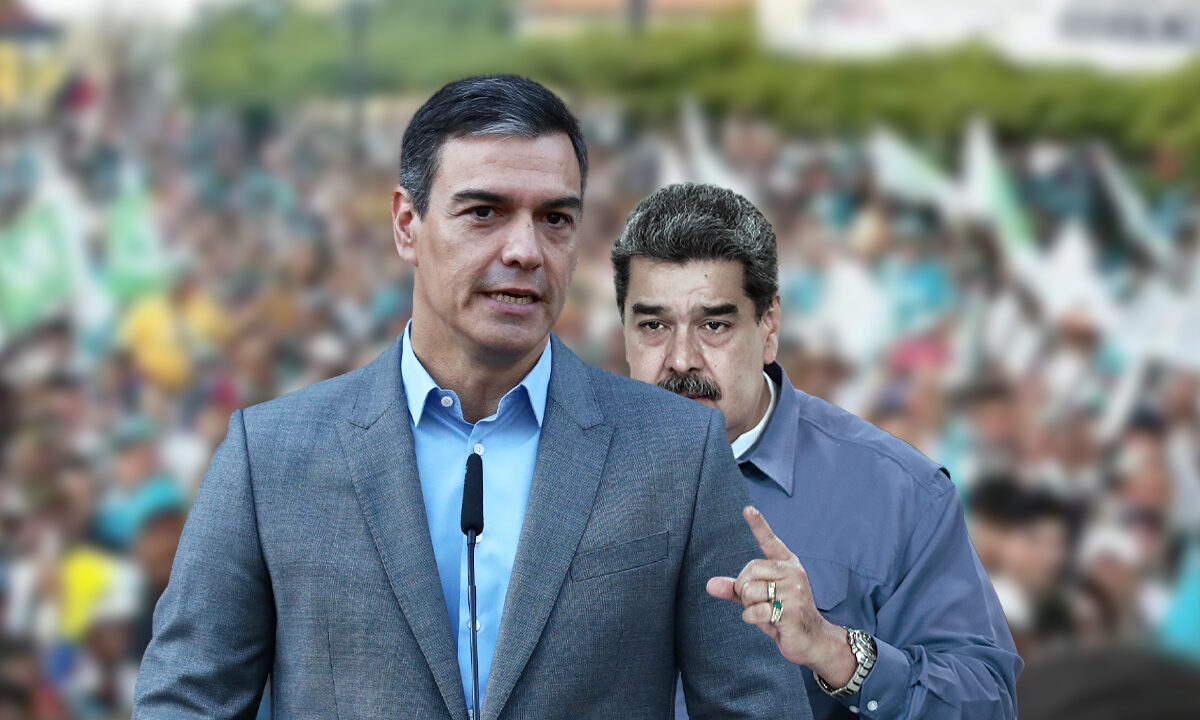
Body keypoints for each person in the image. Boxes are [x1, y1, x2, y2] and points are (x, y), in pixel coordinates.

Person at [132, 77, 810, 719]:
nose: (525, 250)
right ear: (407, 223)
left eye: (555, 219)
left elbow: (756, 706)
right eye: (484, 212)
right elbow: (186, 702)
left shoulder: (678, 451)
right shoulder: (270, 456)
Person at [612, 183, 1022, 719]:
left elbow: (987, 702)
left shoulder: (899, 493)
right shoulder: (562, 473)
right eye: (653, 326)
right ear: (623, 330)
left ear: (769, 327)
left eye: (713, 325)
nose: (681, 358)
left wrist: (835, 651)